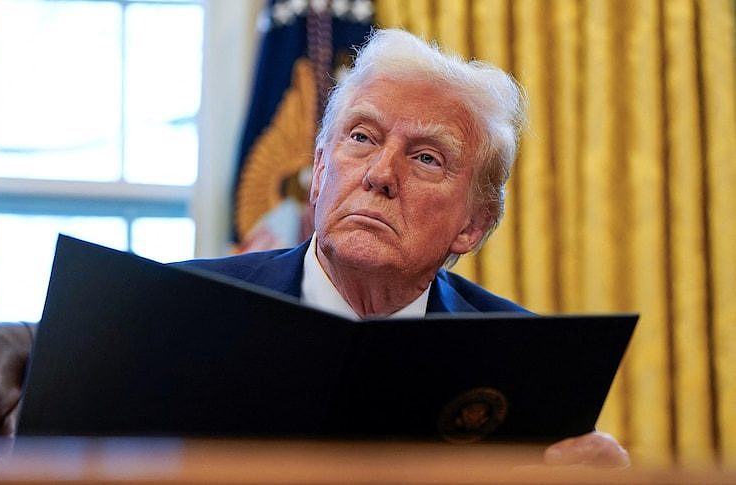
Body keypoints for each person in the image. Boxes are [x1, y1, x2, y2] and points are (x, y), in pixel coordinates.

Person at [179, 28, 629, 467]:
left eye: (426, 158)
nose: (380, 174)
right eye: (362, 137)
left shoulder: (528, 364)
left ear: (473, 224)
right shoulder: (185, 308)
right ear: (318, 172)